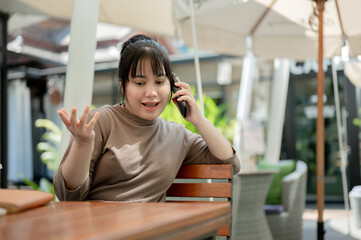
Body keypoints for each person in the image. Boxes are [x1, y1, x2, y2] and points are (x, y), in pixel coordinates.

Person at [54, 34, 240, 202]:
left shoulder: (177, 135)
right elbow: (68, 196)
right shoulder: (101, 121)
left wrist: (199, 119)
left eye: (160, 82)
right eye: (140, 82)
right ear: (123, 86)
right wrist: (82, 144)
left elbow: (230, 163)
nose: (151, 93)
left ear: (173, 86)